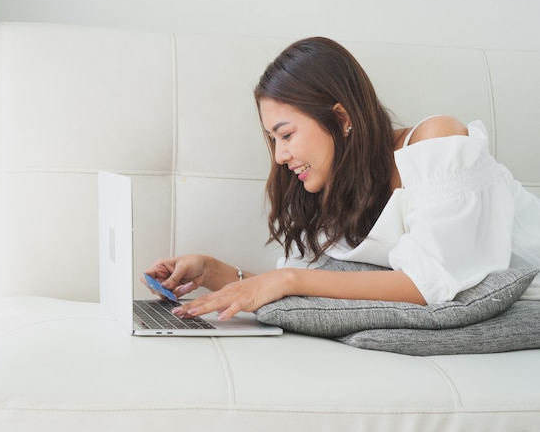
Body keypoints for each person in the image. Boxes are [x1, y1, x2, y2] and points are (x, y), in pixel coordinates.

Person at [143, 36, 540, 321]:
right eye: (273, 139)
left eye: (286, 135)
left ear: (342, 118)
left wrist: (290, 280)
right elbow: (304, 286)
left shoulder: (438, 141)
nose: (280, 156)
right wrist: (210, 271)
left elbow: (426, 285)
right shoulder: (327, 183)